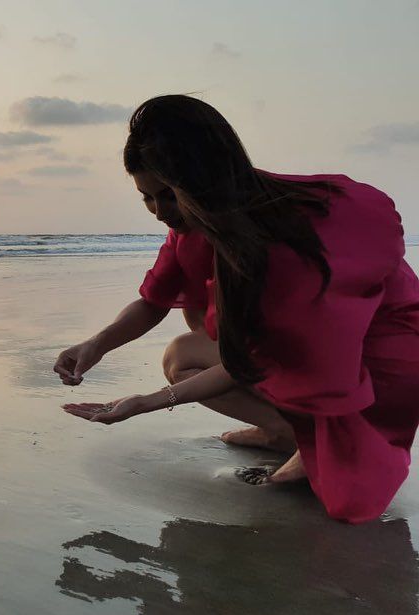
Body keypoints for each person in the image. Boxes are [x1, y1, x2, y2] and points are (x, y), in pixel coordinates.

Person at [54, 95, 419, 523]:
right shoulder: (193, 225)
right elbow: (153, 301)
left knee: (339, 498)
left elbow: (249, 362)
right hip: (293, 354)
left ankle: (314, 436)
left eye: (168, 196)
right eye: (146, 198)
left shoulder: (280, 242)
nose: (158, 212)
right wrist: (95, 345)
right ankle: (287, 433)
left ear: (202, 180)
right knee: (182, 354)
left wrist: (146, 402)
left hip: (380, 362)